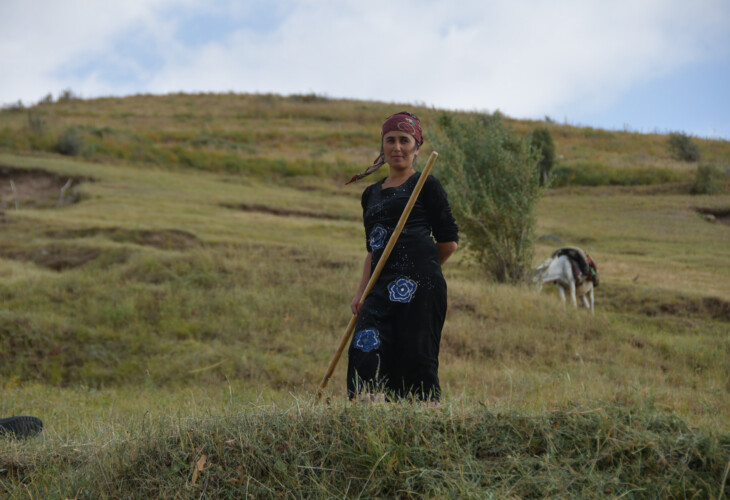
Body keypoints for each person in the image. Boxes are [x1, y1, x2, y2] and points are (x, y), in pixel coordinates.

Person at [345, 111, 459, 403]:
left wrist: (423, 269)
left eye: (404, 141)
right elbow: (373, 249)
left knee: (415, 356)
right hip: (379, 287)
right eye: (390, 140)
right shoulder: (370, 195)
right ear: (382, 147)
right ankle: (366, 418)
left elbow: (449, 242)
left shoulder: (427, 185)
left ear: (416, 148)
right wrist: (361, 293)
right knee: (364, 348)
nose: (397, 147)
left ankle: (419, 424)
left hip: (421, 287)